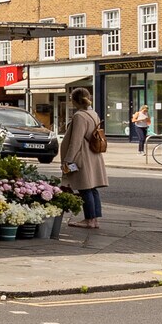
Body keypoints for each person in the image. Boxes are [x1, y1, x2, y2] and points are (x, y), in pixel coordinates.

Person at [62, 86, 108, 227]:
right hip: (93, 154)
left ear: (74, 101)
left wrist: (68, 160)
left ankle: (89, 220)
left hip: (82, 156)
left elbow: (75, 140)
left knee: (84, 188)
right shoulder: (93, 113)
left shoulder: (79, 116)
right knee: (91, 188)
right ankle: (94, 220)